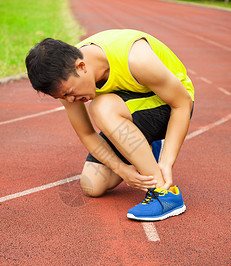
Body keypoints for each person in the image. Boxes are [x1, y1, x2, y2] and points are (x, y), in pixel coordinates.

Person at [25, 29, 194, 221]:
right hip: (129, 109)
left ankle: (164, 194)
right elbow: (87, 134)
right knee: (92, 185)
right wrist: (122, 169)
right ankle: (146, 148)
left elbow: (182, 104)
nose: (70, 100)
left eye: (69, 93)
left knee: (101, 107)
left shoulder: (137, 59)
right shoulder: (65, 81)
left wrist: (166, 161)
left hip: (169, 104)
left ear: (81, 66)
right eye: (63, 97)